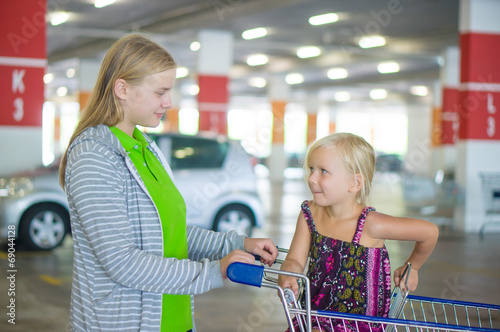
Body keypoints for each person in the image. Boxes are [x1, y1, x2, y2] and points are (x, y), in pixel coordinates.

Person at [58, 33, 278, 332]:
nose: (169, 102)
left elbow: (167, 233)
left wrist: (238, 243)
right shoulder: (93, 157)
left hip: (175, 321)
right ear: (122, 88)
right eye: (160, 91)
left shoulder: (145, 147)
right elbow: (122, 262)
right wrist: (214, 271)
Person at [277, 132, 439, 332]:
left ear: (355, 183)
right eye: (311, 168)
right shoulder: (309, 214)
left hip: (358, 324)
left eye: (323, 171)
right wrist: (289, 273)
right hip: (315, 317)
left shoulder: (371, 224)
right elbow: (295, 259)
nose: (311, 178)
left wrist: (412, 267)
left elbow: (429, 232)